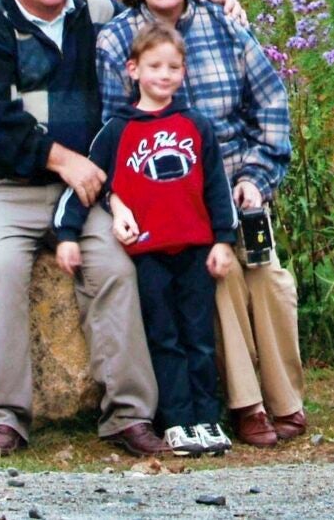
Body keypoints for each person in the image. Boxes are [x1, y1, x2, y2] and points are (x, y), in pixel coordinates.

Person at [0, 0, 163, 457]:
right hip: (0, 187)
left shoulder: (97, 13)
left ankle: (129, 415)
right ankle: (4, 417)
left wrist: (216, 1)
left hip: (81, 190)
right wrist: (64, 159)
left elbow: (161, 22)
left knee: (115, 265)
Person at [97, 0, 308, 448]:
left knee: (267, 276)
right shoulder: (116, 38)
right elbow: (114, 133)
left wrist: (256, 179)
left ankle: (288, 403)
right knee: (224, 277)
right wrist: (123, 201)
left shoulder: (226, 23)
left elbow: (272, 104)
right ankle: (247, 406)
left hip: (236, 184)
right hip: (169, 203)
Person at [55, 23, 238, 458]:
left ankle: (206, 419)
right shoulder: (117, 131)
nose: (165, 74)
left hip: (194, 249)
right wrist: (67, 234)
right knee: (164, 337)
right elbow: (89, 184)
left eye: (174, 66)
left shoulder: (196, 125)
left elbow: (217, 186)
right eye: (155, 66)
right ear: (133, 69)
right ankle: (175, 420)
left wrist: (224, 240)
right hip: (149, 255)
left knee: (198, 336)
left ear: (184, 71)